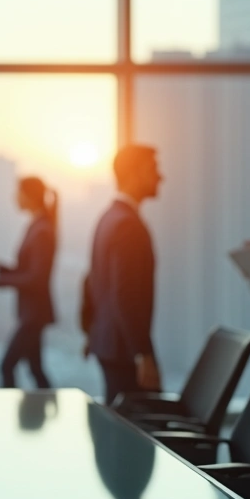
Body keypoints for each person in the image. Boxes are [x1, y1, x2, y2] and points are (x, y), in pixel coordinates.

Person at [80, 145, 163, 404]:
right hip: (124, 349)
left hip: (110, 343)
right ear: (134, 173)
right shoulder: (128, 224)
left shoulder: (108, 217)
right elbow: (124, 294)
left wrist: (90, 331)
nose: (160, 177)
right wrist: (142, 353)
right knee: (135, 433)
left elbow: (90, 282)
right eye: (153, 169)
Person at [0, 176, 58, 389]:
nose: (14, 198)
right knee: (36, 369)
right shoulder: (38, 226)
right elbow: (25, 271)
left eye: (17, 193)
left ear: (28, 195)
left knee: (7, 366)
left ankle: (13, 416)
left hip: (33, 315)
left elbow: (35, 279)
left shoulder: (42, 229)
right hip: (31, 313)